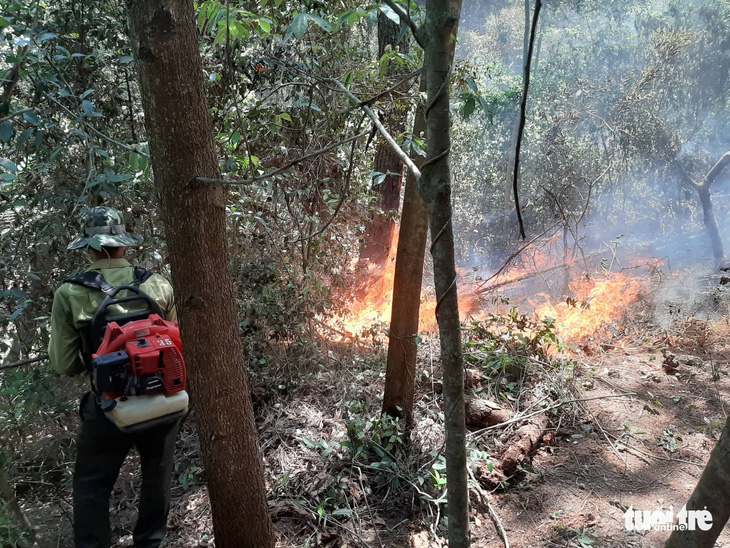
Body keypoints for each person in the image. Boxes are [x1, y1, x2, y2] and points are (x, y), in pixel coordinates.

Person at [49, 206, 180, 548]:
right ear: (125, 244)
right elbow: (178, 340)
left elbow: (64, 365)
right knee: (157, 479)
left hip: (109, 406)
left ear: (89, 247)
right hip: (163, 400)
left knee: (92, 484)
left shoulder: (70, 293)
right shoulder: (157, 284)